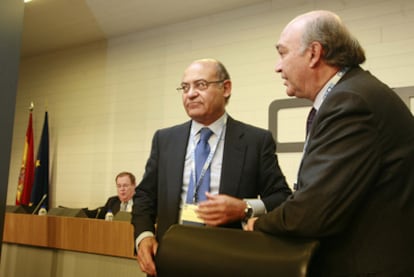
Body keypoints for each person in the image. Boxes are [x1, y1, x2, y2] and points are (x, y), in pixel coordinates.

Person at [244, 10, 414, 276]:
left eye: (282, 53)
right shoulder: (351, 93)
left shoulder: (351, 102)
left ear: (314, 53)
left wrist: (258, 223)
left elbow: (312, 213)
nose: (278, 67)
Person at [131, 58, 292, 276]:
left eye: (200, 85)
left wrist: (243, 207)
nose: (190, 94)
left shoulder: (255, 141)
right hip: (169, 260)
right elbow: (144, 196)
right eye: (185, 87)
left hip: (227, 262)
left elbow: (281, 197)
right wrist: (144, 236)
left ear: (226, 88)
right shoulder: (165, 139)